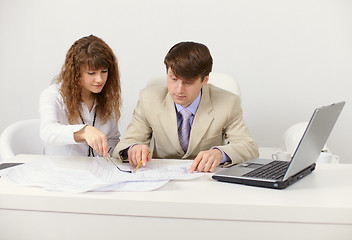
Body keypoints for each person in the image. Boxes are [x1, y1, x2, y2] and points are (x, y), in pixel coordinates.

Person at [112, 41, 258, 172]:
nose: (178, 89)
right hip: (162, 179)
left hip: (206, 181)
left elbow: (249, 147)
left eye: (188, 82)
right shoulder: (148, 99)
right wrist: (133, 149)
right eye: (173, 79)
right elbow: (124, 144)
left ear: (205, 80)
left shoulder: (228, 102)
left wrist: (220, 154)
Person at [39, 35, 121, 158]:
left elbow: (112, 139)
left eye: (104, 72)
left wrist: (126, 151)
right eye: (91, 73)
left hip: (95, 172)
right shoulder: (53, 95)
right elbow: (47, 131)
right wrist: (84, 132)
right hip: (60, 171)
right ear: (76, 73)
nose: (99, 79)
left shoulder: (106, 96)